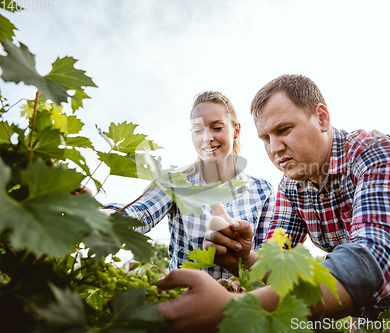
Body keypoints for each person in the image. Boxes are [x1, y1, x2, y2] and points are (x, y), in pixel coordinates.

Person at [155, 75, 390, 331]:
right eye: (265, 138)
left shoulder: (375, 154)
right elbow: (275, 265)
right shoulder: (290, 187)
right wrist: (244, 257)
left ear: (322, 118)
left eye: (284, 130)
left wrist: (233, 308)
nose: (274, 148)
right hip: (376, 318)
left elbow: (371, 259)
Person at [105, 91, 275, 279]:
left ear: (236, 131)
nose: (207, 137)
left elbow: (264, 258)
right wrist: (99, 215)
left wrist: (238, 279)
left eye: (217, 128)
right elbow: (138, 215)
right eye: (198, 130)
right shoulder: (176, 180)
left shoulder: (262, 191)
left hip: (241, 304)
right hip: (182, 300)